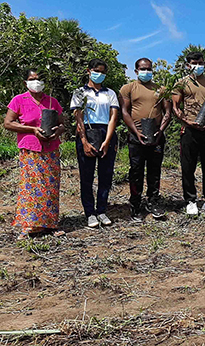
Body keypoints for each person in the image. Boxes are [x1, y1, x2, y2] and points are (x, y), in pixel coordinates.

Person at [4, 68, 66, 239]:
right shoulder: (19, 100)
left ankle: (51, 224)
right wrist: (32, 129)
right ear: (26, 82)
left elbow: (62, 123)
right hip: (30, 149)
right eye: (32, 79)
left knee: (50, 187)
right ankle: (30, 225)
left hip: (51, 149)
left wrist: (57, 132)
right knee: (31, 187)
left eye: (39, 79)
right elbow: (8, 123)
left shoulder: (52, 101)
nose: (36, 82)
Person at [171, 51, 205, 216]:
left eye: (200, 63)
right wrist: (186, 121)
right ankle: (190, 201)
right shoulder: (181, 83)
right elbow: (175, 106)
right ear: (188, 65)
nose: (198, 66)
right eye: (194, 63)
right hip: (189, 130)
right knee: (188, 166)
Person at [119, 57, 172, 222]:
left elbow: (167, 113)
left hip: (156, 137)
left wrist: (160, 131)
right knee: (136, 170)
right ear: (136, 71)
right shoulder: (128, 88)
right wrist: (136, 132)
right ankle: (135, 203)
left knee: (154, 170)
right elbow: (124, 112)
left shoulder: (161, 90)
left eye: (149, 69)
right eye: (143, 69)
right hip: (136, 137)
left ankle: (153, 201)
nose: (146, 72)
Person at [70, 58, 120, 228]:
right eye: (96, 70)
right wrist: (84, 141)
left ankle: (102, 210)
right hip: (87, 132)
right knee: (87, 176)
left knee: (106, 175)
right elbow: (78, 118)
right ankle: (90, 213)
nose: (99, 74)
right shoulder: (79, 93)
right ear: (89, 70)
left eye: (103, 72)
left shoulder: (110, 93)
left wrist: (107, 140)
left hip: (106, 132)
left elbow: (113, 116)